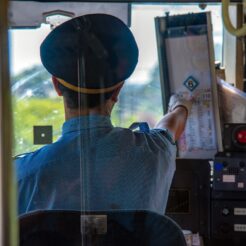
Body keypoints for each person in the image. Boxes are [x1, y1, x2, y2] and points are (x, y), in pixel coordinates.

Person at [16, 14, 191, 216]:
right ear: (118, 91)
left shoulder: (22, 175)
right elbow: (170, 126)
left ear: (56, 86)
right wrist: (181, 107)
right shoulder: (156, 153)